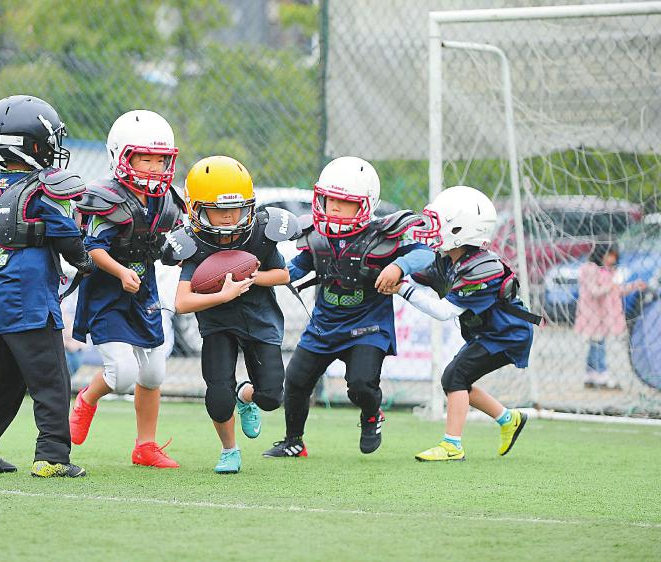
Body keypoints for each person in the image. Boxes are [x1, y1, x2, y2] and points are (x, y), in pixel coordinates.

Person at [0, 95, 94, 477]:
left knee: (8, 379)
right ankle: (52, 456)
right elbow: (66, 236)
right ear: (34, 145)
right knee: (53, 380)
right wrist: (85, 261)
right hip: (28, 299)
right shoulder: (43, 188)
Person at [262, 156, 434, 459]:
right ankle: (294, 440)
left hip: (368, 327)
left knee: (360, 385)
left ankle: (371, 415)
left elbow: (426, 254)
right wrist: (255, 277)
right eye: (329, 200)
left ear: (365, 205)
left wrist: (399, 267)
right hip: (324, 326)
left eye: (345, 202)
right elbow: (294, 270)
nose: (334, 207)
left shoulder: (381, 236)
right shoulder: (316, 236)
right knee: (297, 381)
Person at [164, 155, 299, 474]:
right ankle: (229, 450)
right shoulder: (194, 244)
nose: (227, 218)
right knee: (218, 396)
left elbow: (283, 275)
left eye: (234, 209)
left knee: (270, 397)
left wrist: (250, 278)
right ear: (196, 209)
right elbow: (182, 302)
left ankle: (246, 394)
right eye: (218, 210)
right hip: (218, 325)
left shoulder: (260, 234)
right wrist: (223, 294)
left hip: (259, 321)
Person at [69, 110, 185, 468]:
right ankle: (87, 398)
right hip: (108, 294)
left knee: (153, 373)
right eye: (144, 159)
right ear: (121, 155)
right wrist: (120, 271)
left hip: (143, 289)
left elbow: (168, 244)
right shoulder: (106, 197)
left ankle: (145, 446)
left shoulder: (166, 200)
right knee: (123, 374)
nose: (153, 167)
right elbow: (91, 248)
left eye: (160, 160)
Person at [393, 185, 540, 462]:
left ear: (461, 229)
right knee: (458, 378)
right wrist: (394, 270)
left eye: (439, 224)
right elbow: (418, 276)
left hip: (508, 335)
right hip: (490, 333)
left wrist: (401, 289)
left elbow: (442, 311)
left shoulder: (482, 269)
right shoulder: (450, 260)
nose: (432, 230)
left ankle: (452, 446)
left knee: (455, 377)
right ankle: (509, 420)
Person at [575, 242, 645, 389]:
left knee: (597, 344)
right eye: (610, 255)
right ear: (601, 254)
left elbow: (616, 291)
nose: (612, 259)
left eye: (614, 256)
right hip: (592, 315)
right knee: (598, 345)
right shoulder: (590, 269)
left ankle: (591, 375)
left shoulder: (607, 271)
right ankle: (601, 376)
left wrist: (633, 285)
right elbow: (594, 290)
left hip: (603, 315)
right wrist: (609, 286)